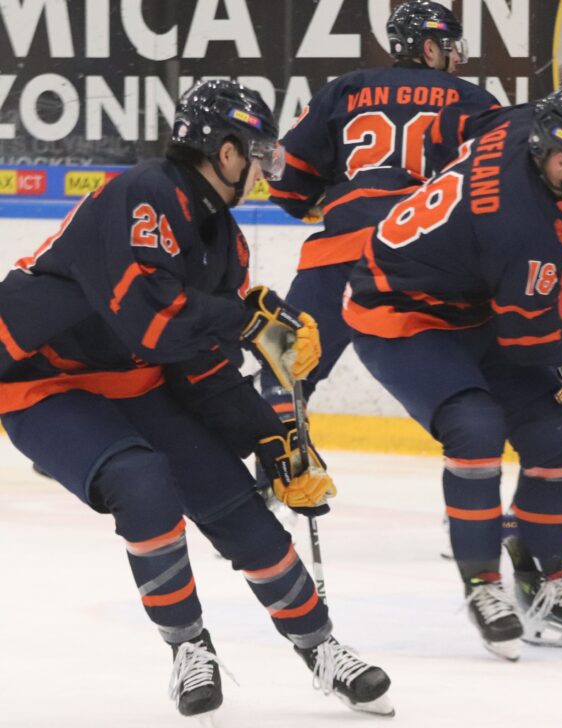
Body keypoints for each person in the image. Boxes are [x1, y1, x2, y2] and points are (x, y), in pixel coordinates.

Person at [0, 80, 392, 720]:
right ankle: (189, 647)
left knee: (231, 497)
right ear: (223, 148)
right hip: (43, 380)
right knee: (141, 480)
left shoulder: (225, 243)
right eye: (256, 150)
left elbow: (198, 362)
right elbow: (149, 323)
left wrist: (273, 441)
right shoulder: (145, 192)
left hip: (133, 381)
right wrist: (242, 319)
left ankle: (320, 646)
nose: (265, 167)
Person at [345, 86, 562, 661]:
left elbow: (451, 120)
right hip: (396, 312)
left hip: (469, 307)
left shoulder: (526, 123)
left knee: (554, 436)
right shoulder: (520, 226)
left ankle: (545, 582)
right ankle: (483, 586)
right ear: (557, 161)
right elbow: (527, 342)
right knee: (475, 428)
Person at [264, 0, 498, 418]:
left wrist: (313, 203)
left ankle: (275, 474)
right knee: (494, 365)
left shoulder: (345, 89)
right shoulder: (474, 100)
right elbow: (496, 191)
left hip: (340, 254)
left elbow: (285, 179)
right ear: (429, 49)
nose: (456, 56)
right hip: (425, 259)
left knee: (283, 370)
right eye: (449, 46)